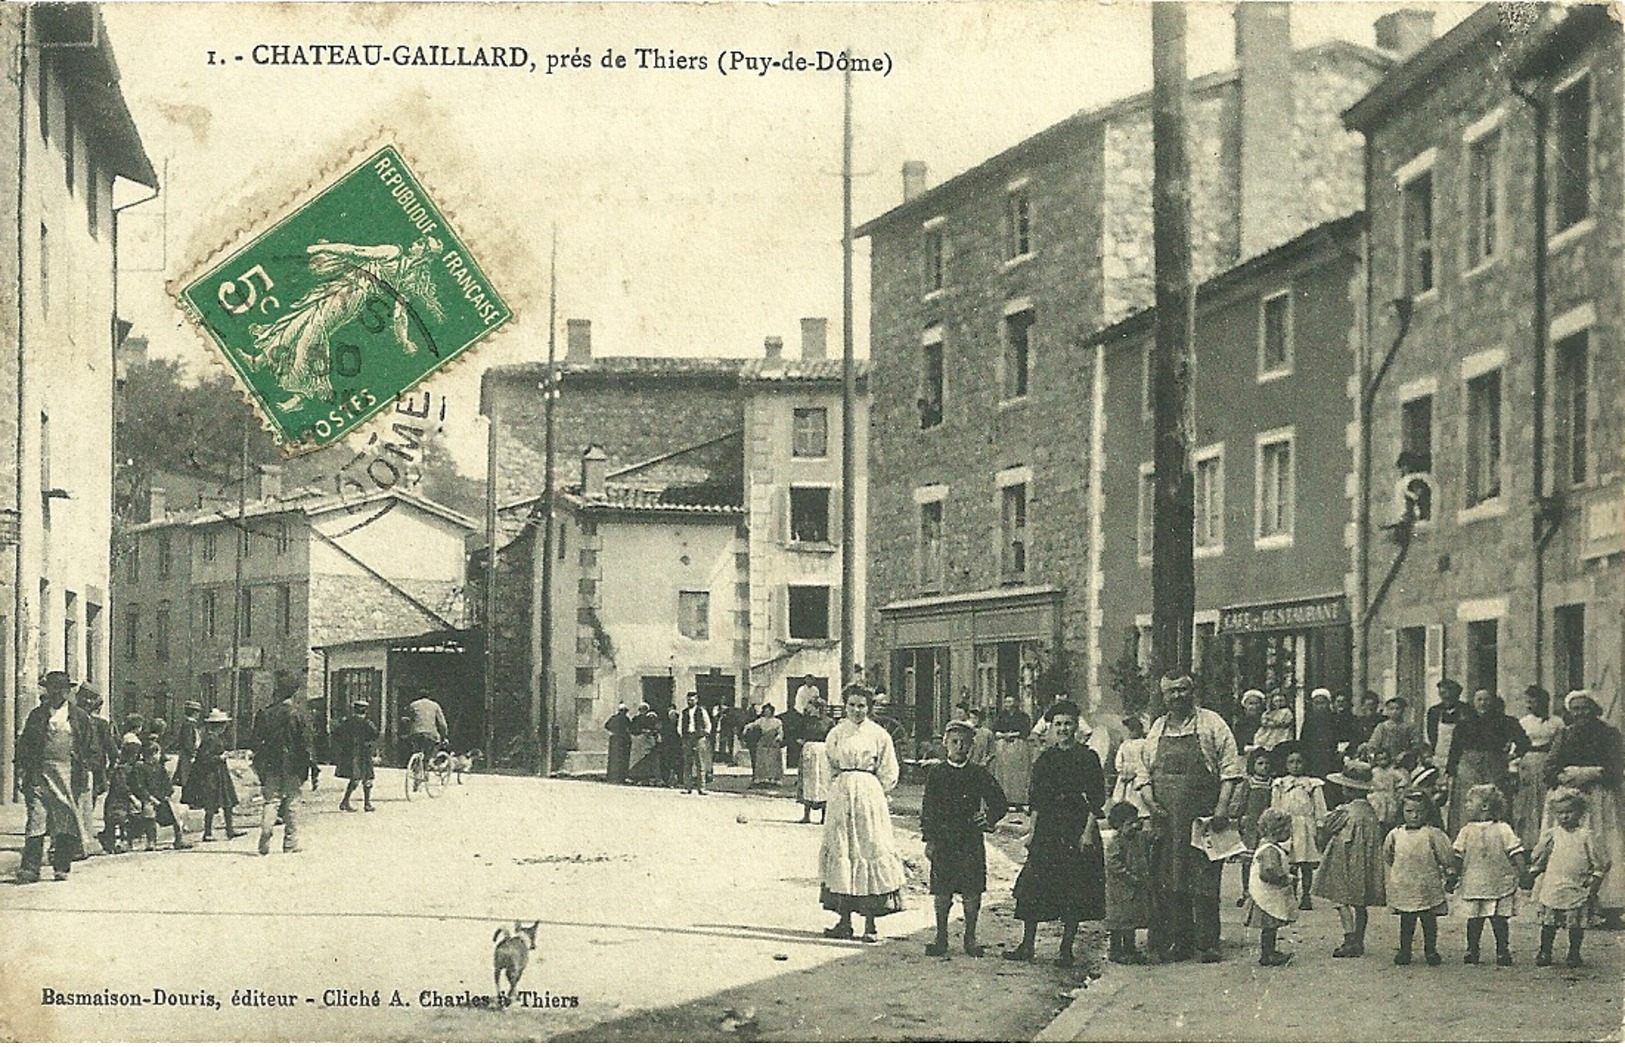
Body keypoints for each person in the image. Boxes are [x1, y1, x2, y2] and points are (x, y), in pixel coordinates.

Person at [1135, 673, 1243, 963]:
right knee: (1171, 880)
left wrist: (1222, 809)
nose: (1178, 696)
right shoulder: (1157, 728)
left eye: (1183, 690)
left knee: (1204, 879)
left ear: (1192, 691)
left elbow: (1230, 769)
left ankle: (1207, 943)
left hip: (1203, 818)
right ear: (1164, 696)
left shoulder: (1212, 723)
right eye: (1172, 692)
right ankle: (1178, 941)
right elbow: (1143, 773)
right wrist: (1151, 804)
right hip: (1166, 819)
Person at [1004, 699, 1106, 967]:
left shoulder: (1088, 757)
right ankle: (1027, 945)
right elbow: (1036, 800)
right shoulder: (1045, 759)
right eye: (1058, 724)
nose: (1063, 729)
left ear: (1076, 727)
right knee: (1033, 887)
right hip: (1049, 828)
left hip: (1076, 827)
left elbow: (1096, 800)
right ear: (1051, 728)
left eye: (1068, 724)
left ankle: (1066, 949)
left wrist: (1087, 834)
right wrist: (1031, 833)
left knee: (1073, 889)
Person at [819, 689, 907, 942]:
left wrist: (874, 792)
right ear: (845, 706)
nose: (857, 710)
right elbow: (829, 765)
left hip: (869, 795)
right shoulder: (836, 733)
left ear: (869, 708)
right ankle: (844, 921)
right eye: (852, 705)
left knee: (869, 849)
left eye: (862, 706)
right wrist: (836, 790)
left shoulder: (879, 735)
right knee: (843, 850)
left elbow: (889, 770)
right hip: (842, 794)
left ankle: (870, 924)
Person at [921, 721, 1007, 957]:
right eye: (955, 742)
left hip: (970, 840)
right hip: (944, 839)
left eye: (965, 743)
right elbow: (928, 809)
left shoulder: (978, 773)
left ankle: (970, 938)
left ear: (971, 746)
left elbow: (1000, 802)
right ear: (945, 744)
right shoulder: (937, 773)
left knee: (972, 891)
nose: (959, 747)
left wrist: (988, 819)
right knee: (942, 891)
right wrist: (930, 840)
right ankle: (941, 938)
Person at [1543, 690, 1625, 928]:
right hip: (1570, 798)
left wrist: (1594, 773)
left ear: (1595, 709)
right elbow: (1549, 767)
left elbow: (1617, 767)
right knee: (1569, 849)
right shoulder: (1564, 734)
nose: (1580, 714)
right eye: (1576, 709)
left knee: (1602, 845)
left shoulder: (1609, 734)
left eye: (1585, 708)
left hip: (1600, 798)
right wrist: (1564, 776)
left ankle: (1609, 906)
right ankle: (1562, 905)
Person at [16, 671, 95, 882]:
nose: (57, 692)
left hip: (68, 774)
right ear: (47, 690)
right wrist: (22, 771)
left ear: (68, 691)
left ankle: (61, 866)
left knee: (65, 821)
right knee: (36, 819)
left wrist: (85, 768)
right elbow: (24, 745)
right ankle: (30, 868)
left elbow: (90, 748)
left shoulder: (79, 717)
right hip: (40, 774)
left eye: (62, 688)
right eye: (53, 688)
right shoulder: (37, 715)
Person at [1528, 788, 1611, 968]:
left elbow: (1601, 863)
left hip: (1576, 886)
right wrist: (1534, 871)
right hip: (1554, 885)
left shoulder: (1587, 835)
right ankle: (1545, 950)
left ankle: (1574, 952)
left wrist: (1594, 884)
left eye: (1569, 812)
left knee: (1575, 924)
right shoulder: (1552, 835)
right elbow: (1539, 857)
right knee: (1549, 923)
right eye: (1560, 813)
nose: (1564, 817)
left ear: (1580, 812)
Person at [1317, 761, 1386, 957]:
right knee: (1360, 903)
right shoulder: (1370, 812)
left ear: (1348, 789)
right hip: (1364, 861)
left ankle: (1349, 938)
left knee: (1341, 899)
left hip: (1344, 858)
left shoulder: (1346, 811)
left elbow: (1327, 827)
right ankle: (1359, 939)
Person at [1452, 783, 1526, 966]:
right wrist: (1452, 874)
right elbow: (1457, 854)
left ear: (1484, 806)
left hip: (1497, 881)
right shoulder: (1466, 831)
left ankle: (1502, 950)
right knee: (1474, 920)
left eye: (1470, 801)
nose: (1466, 805)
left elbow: (1515, 851)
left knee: (1499, 919)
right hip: (1474, 881)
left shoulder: (1503, 829)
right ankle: (1472, 949)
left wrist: (1523, 872)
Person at [1383, 790, 1453, 967]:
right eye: (1410, 812)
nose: (1415, 816)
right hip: (1405, 883)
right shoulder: (1395, 834)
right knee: (1407, 919)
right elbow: (1388, 855)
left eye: (1420, 812)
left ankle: (1431, 950)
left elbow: (1445, 856)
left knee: (1428, 919)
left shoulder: (1432, 834)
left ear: (1428, 812)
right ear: (1402, 812)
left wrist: (1449, 871)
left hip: (1426, 883)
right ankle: (1405, 950)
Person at [1446, 690, 1529, 836]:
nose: (1483, 703)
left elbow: (1524, 742)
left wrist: (1511, 756)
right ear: (1474, 702)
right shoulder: (1464, 723)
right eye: (1479, 700)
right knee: (1470, 801)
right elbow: (1455, 749)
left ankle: (1499, 838)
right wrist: (1451, 771)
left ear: (1493, 702)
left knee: (1495, 799)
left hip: (1495, 765)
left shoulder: (1505, 721)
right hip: (1469, 766)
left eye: (1486, 699)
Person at [252, 677, 314, 856]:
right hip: (293, 765)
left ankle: (266, 830)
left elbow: (255, 741)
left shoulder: (265, 713)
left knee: (271, 801)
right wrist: (312, 767)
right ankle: (290, 842)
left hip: (271, 763)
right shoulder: (298, 714)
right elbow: (306, 743)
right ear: (294, 692)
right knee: (293, 801)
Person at [1270, 743, 1327, 910]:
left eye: (1299, 762)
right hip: (1288, 826)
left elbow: (1319, 807)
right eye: (1291, 762)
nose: (1295, 765)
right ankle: (1291, 894)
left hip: (1305, 827)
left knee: (1306, 863)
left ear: (1305, 763)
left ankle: (1306, 895)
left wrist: (1320, 825)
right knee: (1290, 862)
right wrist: (1276, 825)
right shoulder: (1280, 784)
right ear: (1286, 764)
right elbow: (1275, 806)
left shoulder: (1312, 784)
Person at [1244, 809, 1298, 967]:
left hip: (1263, 894)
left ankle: (1269, 952)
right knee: (1270, 926)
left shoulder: (1265, 846)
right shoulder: (1270, 851)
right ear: (1278, 831)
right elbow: (1268, 872)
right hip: (1267, 895)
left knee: (1270, 927)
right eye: (1288, 829)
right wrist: (1286, 878)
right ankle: (1268, 954)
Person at [1103, 801, 1154, 965]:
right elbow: (1112, 863)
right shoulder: (1116, 842)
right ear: (1118, 825)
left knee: (1130, 920)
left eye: (1136, 821)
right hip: (1120, 887)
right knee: (1119, 922)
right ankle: (1116, 950)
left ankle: (1130, 949)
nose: (1135, 825)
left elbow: (1150, 838)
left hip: (1133, 887)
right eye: (1129, 823)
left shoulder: (1138, 839)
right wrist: (1129, 876)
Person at [1515, 685, 1561, 849]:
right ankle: (1528, 843)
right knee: (1528, 802)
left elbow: (1559, 744)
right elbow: (1519, 746)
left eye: (1534, 701)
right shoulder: (1524, 722)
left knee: (1545, 800)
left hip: (1548, 762)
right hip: (1529, 762)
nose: (1530, 705)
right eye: (1528, 702)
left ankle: (1549, 842)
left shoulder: (1556, 722)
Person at [184, 709, 242, 840]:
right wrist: (220, 757)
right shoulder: (210, 739)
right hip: (211, 775)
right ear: (219, 726)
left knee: (227, 802)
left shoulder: (215, 738)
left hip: (219, 774)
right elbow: (203, 759)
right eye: (223, 725)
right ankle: (208, 833)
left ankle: (229, 830)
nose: (225, 727)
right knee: (211, 804)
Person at [74, 686, 116, 858]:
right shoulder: (99, 723)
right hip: (92, 768)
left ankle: (81, 838)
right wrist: (112, 766)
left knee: (83, 802)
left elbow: (110, 749)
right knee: (86, 803)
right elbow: (111, 749)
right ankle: (82, 839)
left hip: (92, 767)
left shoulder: (86, 720)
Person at [1231, 748, 1276, 907]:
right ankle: (1246, 890)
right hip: (1251, 824)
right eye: (1260, 763)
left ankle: (1262, 890)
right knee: (1248, 859)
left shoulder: (1273, 783)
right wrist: (1238, 819)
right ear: (1253, 765)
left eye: (1267, 764)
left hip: (1267, 825)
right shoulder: (1249, 782)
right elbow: (1242, 801)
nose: (1264, 767)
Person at [142, 737, 192, 850]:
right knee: (148, 809)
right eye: (158, 754)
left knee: (177, 809)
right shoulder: (141, 769)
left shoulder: (160, 769)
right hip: (148, 799)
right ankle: (151, 841)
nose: (159, 756)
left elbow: (167, 785)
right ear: (152, 755)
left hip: (162, 798)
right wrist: (151, 798)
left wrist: (167, 795)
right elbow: (140, 787)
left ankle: (179, 839)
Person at [333, 699, 379, 812]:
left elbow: (337, 733)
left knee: (354, 778)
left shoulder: (347, 721)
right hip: (363, 753)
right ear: (365, 711)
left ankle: (345, 801)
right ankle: (366, 804)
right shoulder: (367, 723)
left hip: (350, 752)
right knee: (367, 778)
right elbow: (375, 734)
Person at [100, 736, 145, 854]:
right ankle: (118, 841)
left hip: (125, 802)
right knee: (124, 815)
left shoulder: (134, 768)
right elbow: (122, 787)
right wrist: (133, 798)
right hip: (117, 802)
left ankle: (127, 840)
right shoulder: (122, 770)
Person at [991, 696, 1034, 810]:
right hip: (1003, 747)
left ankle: (1019, 800)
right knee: (1004, 774)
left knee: (1019, 774)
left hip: (1018, 746)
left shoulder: (1023, 716)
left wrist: (1013, 734)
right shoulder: (1001, 716)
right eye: (1005, 702)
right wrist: (1003, 735)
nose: (1007, 704)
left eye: (1010, 701)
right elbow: (994, 730)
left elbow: (1025, 731)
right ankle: (1006, 800)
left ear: (1016, 703)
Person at [798, 700, 834, 823]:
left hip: (823, 752)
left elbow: (832, 738)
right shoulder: (806, 721)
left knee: (823, 781)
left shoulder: (829, 722)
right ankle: (806, 815)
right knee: (808, 781)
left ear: (818, 708)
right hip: (809, 751)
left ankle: (824, 816)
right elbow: (800, 734)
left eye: (811, 708)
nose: (808, 710)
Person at [1425, 678, 1472, 771]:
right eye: (1442, 694)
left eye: (1449, 695)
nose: (1446, 698)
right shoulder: (1434, 711)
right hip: (1440, 756)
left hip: (1461, 756)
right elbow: (1432, 734)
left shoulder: (1466, 709)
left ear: (1457, 694)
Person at [1109, 716, 1150, 815]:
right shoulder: (1125, 744)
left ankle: (1139, 813)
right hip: (1125, 772)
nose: (1131, 733)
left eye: (1133, 730)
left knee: (1137, 796)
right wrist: (1121, 770)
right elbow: (1118, 759)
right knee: (1123, 794)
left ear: (1140, 730)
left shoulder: (1144, 743)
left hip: (1139, 772)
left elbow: (1146, 759)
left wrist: (1140, 771)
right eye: (1129, 730)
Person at [1368, 696, 1422, 769]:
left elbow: (1416, 745)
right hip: (1384, 762)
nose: (1394, 711)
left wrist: (1405, 753)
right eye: (1391, 709)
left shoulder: (1410, 727)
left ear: (1403, 710)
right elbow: (1373, 745)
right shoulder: (1382, 727)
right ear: (1387, 710)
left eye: (1397, 708)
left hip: (1404, 763)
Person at [1299, 688, 1340, 778]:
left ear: (1328, 704)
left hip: (1331, 756)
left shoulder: (1335, 719)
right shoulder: (1309, 720)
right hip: (1313, 757)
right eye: (1316, 703)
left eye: (1322, 703)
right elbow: (1304, 740)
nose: (1319, 706)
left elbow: (1339, 738)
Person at [677, 692, 713, 795]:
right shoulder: (684, 712)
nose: (690, 702)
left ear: (696, 700)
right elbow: (680, 725)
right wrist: (682, 736)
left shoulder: (702, 711)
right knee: (687, 763)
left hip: (699, 738)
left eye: (692, 700)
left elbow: (708, 724)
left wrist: (705, 734)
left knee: (700, 763)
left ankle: (701, 788)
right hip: (687, 738)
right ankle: (687, 787)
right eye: (688, 700)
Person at [746, 703, 785, 788]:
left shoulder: (777, 721)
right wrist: (746, 728)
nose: (767, 713)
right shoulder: (761, 720)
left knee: (773, 760)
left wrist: (779, 737)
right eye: (766, 711)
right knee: (762, 759)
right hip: (763, 741)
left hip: (773, 742)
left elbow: (780, 732)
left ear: (772, 712)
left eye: (769, 711)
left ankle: (774, 779)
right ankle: (761, 778)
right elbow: (752, 724)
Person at [405, 690, 449, 766]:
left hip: (416, 733)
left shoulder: (413, 705)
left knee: (417, 749)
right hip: (430, 734)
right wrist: (444, 736)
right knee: (434, 745)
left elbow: (408, 719)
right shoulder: (435, 706)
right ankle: (430, 760)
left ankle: (417, 763)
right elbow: (442, 724)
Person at [171, 700, 203, 793]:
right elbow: (188, 742)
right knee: (188, 775)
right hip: (188, 754)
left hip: (189, 753)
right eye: (197, 712)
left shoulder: (191, 724)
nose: (198, 715)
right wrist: (192, 754)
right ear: (194, 713)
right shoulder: (188, 725)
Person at [627, 702, 662, 784]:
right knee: (641, 759)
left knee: (639, 759)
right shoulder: (645, 719)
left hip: (640, 742)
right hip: (643, 741)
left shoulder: (638, 719)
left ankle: (636, 777)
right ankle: (640, 777)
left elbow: (631, 729)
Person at [604, 704, 632, 784]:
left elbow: (606, 725)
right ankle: (621, 776)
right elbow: (630, 727)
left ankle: (611, 776)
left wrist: (612, 731)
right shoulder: (625, 719)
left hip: (614, 739)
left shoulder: (613, 718)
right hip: (622, 740)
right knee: (622, 758)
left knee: (613, 758)